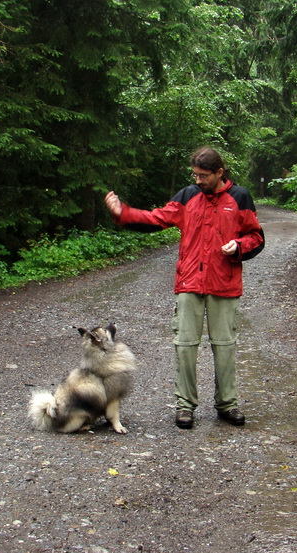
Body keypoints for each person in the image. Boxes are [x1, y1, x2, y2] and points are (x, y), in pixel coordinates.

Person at [103, 147, 265, 429]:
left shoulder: (239, 197)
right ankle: (184, 407)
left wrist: (239, 246)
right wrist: (123, 214)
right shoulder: (188, 195)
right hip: (190, 281)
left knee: (225, 347)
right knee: (185, 347)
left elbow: (256, 237)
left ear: (219, 173)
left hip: (224, 284)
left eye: (204, 176)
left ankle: (227, 404)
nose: (198, 180)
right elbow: (157, 218)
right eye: (195, 175)